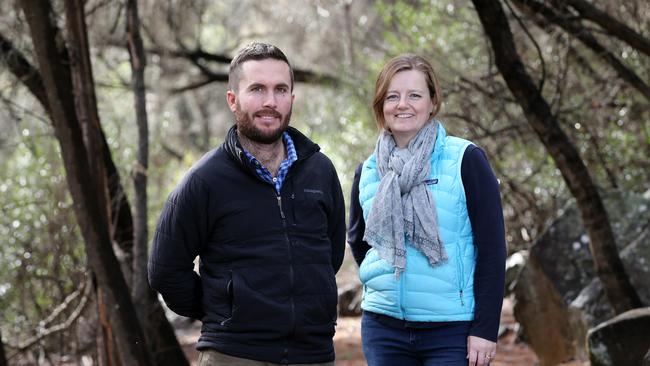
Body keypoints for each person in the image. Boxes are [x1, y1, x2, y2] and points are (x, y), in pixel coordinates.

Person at [148, 42, 346, 366]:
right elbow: (165, 271)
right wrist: (225, 306)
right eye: (257, 89)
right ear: (232, 100)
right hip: (234, 355)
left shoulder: (320, 171)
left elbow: (330, 256)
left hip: (314, 355)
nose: (270, 101)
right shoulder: (204, 180)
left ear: (292, 99)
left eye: (281, 89)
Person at [347, 54, 506, 366]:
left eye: (414, 95)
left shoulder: (466, 159)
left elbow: (492, 249)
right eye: (392, 96)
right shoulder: (367, 171)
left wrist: (485, 329)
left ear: (433, 102)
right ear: (381, 105)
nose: (402, 104)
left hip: (452, 331)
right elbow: (360, 242)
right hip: (384, 329)